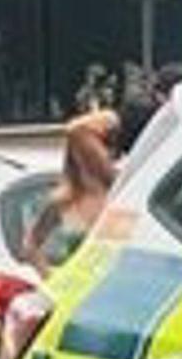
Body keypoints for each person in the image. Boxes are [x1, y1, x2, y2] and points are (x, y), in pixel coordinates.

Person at [23, 109, 117, 277]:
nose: (96, 153)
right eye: (81, 147)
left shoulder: (120, 193)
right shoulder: (63, 201)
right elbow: (30, 245)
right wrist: (49, 277)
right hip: (77, 291)